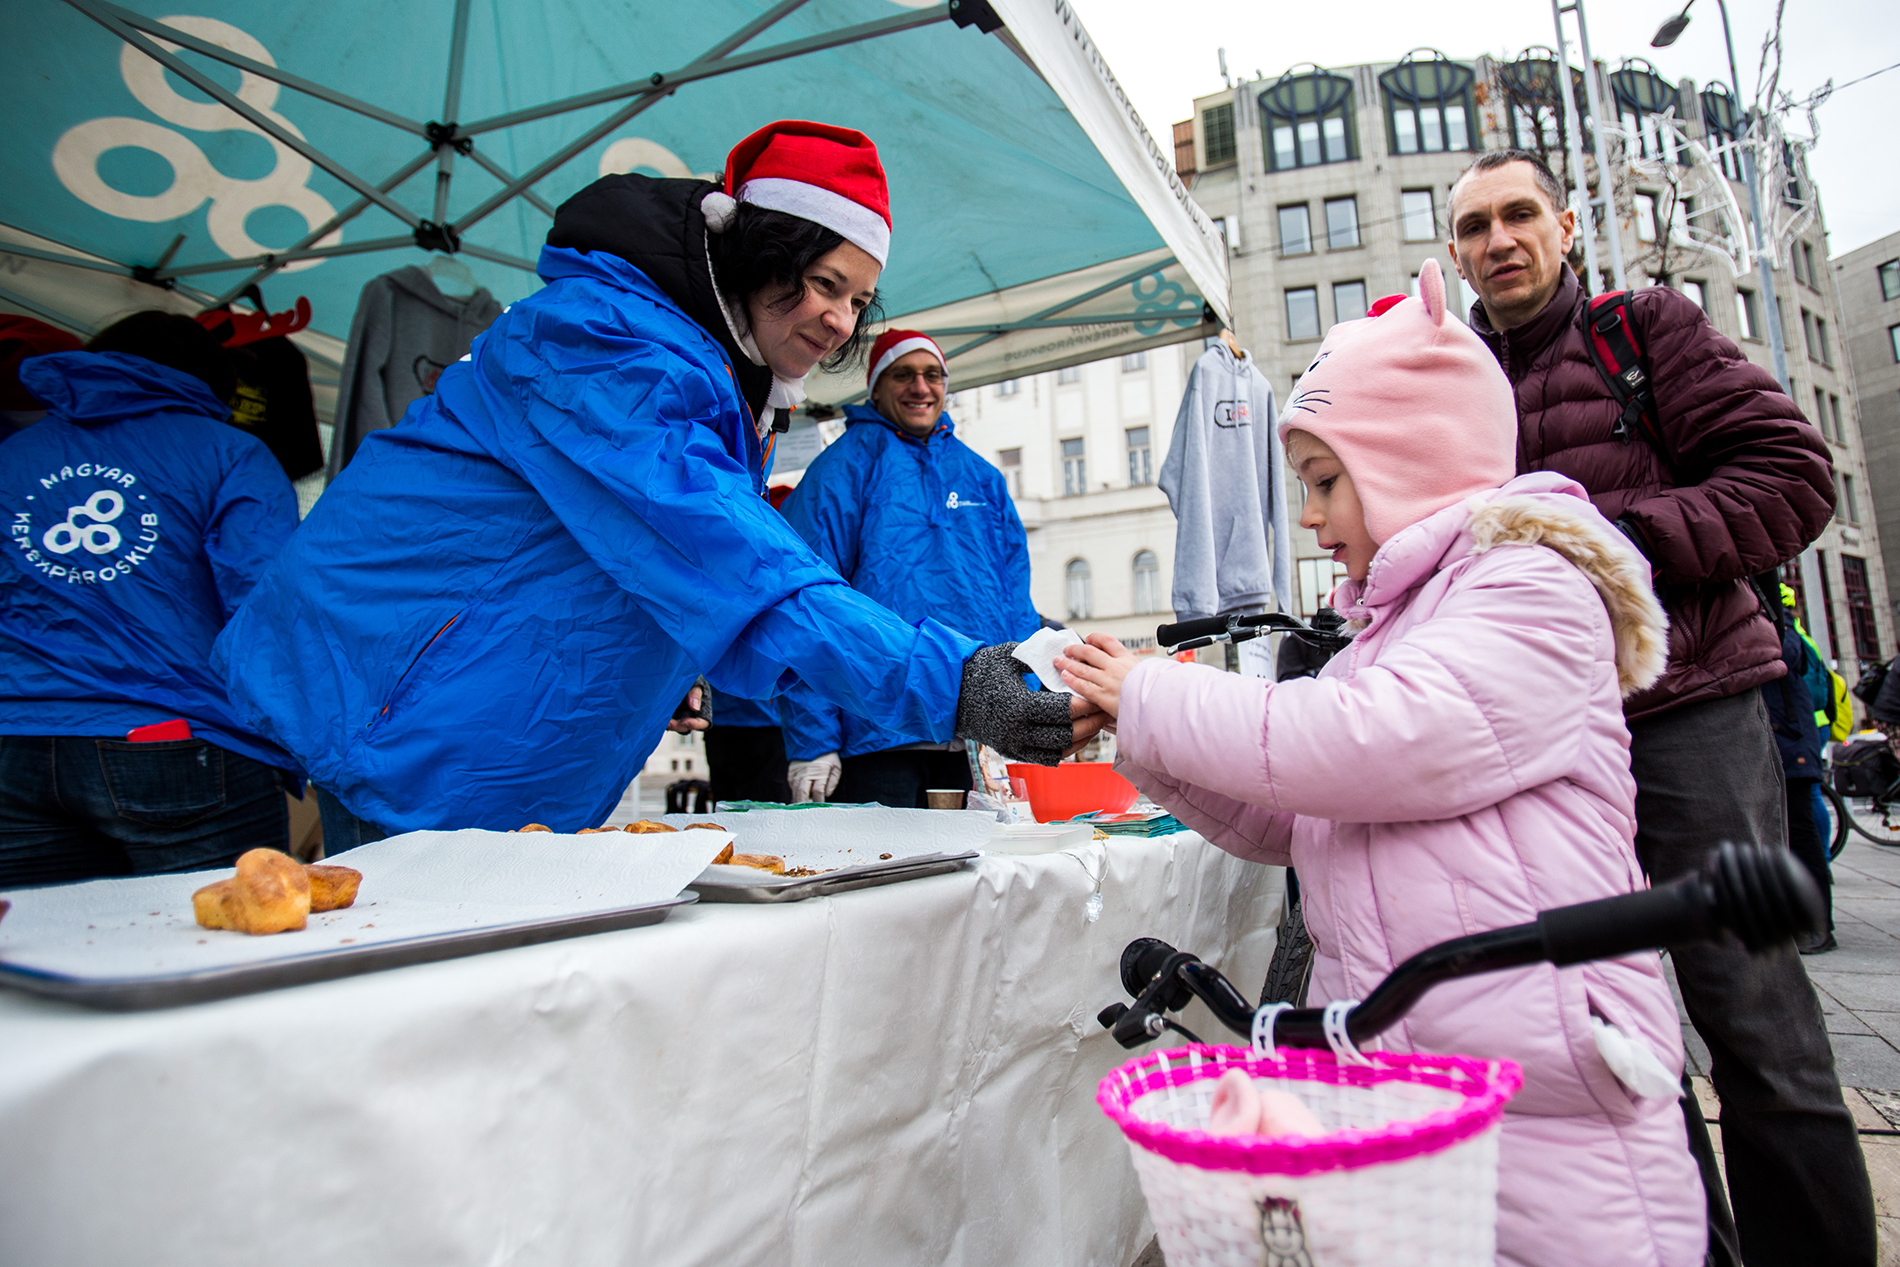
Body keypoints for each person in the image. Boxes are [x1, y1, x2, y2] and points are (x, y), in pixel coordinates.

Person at [1057, 260, 1702, 1267]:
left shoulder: (1531, 586)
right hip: (1420, 1077)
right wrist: (1143, 737)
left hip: (1540, 1091)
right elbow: (1299, 812)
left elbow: (1364, 739)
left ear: (1413, 460)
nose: (1309, 520)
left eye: (1323, 482)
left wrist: (1151, 689)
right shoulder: (1393, 628)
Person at [214, 121, 1093, 845]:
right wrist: (954, 682)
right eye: (826, 284)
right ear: (760, 253)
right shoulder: (609, 341)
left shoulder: (719, 377)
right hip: (400, 713)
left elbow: (639, 560)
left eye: (860, 301)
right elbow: (733, 559)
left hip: (475, 729)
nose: (840, 319)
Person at [1445, 148, 1871, 1266]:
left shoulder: (1645, 331)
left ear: (1566, 225)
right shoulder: (1456, 381)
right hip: (1541, 744)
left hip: (1689, 709)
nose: (1499, 240)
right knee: (1615, 1039)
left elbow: (1790, 477)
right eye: (1476, 225)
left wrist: (1610, 546)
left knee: (1756, 1024)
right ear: (1454, 252)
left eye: (1518, 214)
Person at [1, 311, 300, 885]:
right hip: (178, 738)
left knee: (44, 960)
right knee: (224, 953)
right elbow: (264, 609)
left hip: (17, 740)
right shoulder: (231, 453)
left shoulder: (13, 455)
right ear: (216, 387)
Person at [777, 330, 1038, 806]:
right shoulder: (839, 472)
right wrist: (813, 741)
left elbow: (1016, 606)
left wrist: (1029, 703)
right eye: (904, 375)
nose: (921, 387)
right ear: (875, 388)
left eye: (933, 375)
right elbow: (801, 604)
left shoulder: (983, 478)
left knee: (980, 871)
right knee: (886, 873)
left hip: (976, 735)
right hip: (875, 733)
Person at [1764, 607, 1834, 953]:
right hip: (1778, 736)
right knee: (1781, 831)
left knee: (1801, 828)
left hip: (1791, 738)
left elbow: (1788, 657)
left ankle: (1818, 927)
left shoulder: (1783, 625)